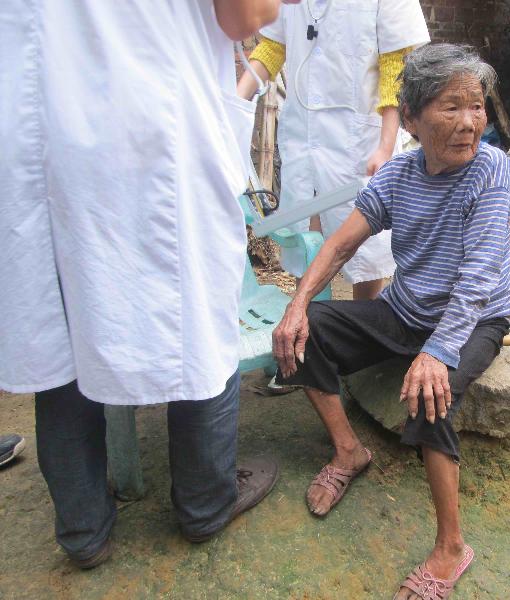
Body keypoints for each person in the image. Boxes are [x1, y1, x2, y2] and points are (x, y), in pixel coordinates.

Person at [0, 0, 285, 569]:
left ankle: (83, 531)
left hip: (30, 120)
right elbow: (243, 17)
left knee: (60, 326)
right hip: (149, 120)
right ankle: (205, 504)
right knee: (197, 322)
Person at [272, 44, 510, 600]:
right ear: (410, 119)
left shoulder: (491, 169)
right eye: (451, 107)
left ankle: (451, 547)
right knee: (309, 331)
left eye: (476, 106)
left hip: (475, 318)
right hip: (406, 310)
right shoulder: (401, 174)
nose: (469, 122)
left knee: (432, 395)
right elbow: (340, 244)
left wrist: (438, 352)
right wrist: (298, 303)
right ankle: (348, 451)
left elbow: (478, 277)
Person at [236, 0, 430, 301]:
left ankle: (362, 318)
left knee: (365, 248)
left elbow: (394, 67)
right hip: (303, 135)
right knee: (305, 237)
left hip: (361, 140)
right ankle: (307, 316)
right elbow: (272, 48)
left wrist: (385, 146)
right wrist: (234, 102)